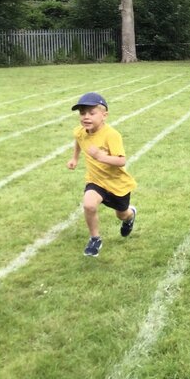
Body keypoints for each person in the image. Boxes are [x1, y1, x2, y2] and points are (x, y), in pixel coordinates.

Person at [67, 92, 137, 257]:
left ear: (104, 115)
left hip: (117, 184)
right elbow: (78, 140)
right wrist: (74, 158)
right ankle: (95, 238)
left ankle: (130, 216)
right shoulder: (80, 131)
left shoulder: (111, 135)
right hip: (96, 181)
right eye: (82, 113)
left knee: (122, 214)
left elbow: (121, 161)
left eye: (92, 113)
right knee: (89, 205)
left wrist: (100, 157)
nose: (86, 117)